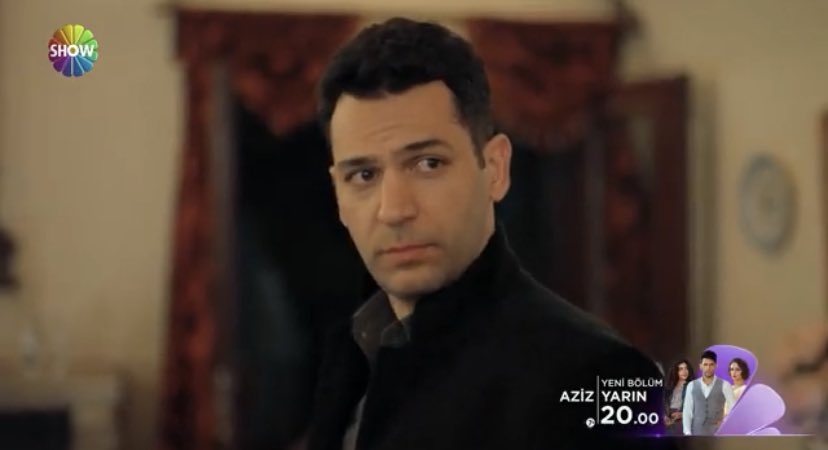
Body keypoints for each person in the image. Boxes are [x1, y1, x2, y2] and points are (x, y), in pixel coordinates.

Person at [308, 17, 668, 450]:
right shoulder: (350, 350)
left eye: (428, 164)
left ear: (495, 169)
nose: (394, 210)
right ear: (338, 194)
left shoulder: (601, 375)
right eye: (364, 174)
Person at [682, 350, 736, 436]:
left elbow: (733, 408)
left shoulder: (725, 385)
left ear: (716, 366)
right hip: (696, 433)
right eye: (705, 364)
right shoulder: (691, 385)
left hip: (717, 434)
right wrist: (687, 433)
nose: (708, 368)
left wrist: (725, 422)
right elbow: (687, 411)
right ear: (700, 366)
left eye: (711, 365)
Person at [663, 359, 695, 435]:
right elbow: (663, 403)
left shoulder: (693, 386)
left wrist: (682, 414)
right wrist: (664, 416)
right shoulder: (669, 387)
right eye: (681, 369)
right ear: (675, 371)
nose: (684, 371)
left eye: (686, 368)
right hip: (669, 419)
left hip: (683, 421)